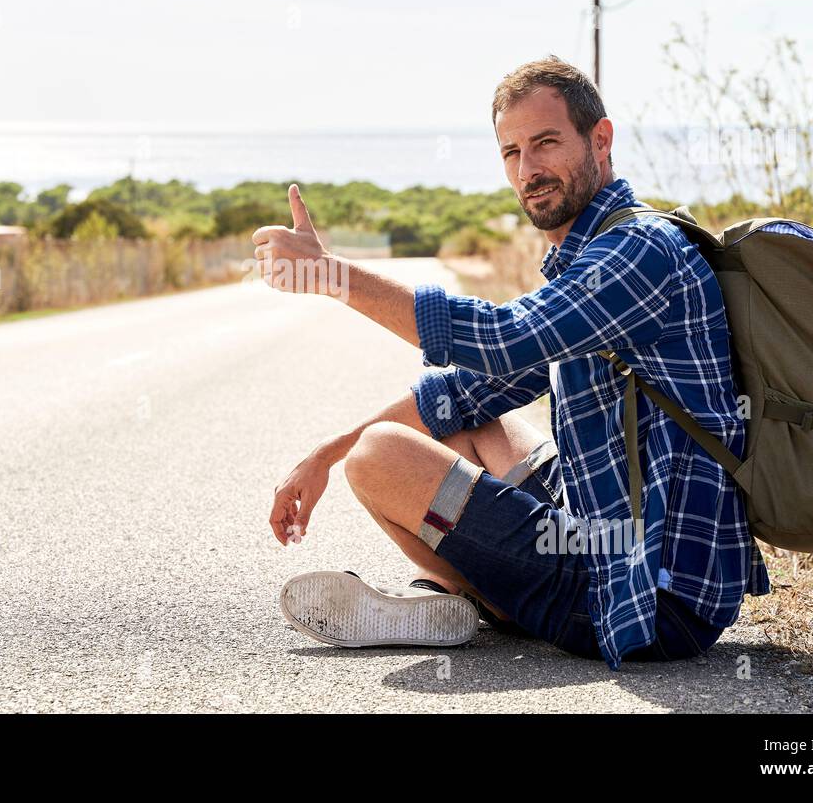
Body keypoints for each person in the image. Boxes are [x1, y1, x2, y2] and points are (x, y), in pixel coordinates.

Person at [252, 56, 769, 669]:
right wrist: (322, 455)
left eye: (546, 142)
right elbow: (472, 390)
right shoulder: (599, 254)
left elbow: (499, 339)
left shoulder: (637, 254)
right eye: (511, 152)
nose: (528, 169)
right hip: (605, 530)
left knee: (378, 456)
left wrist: (330, 274)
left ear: (600, 140)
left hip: (642, 594)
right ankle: (464, 595)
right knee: (463, 421)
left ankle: (470, 597)